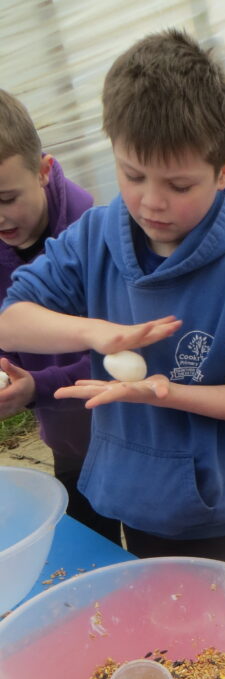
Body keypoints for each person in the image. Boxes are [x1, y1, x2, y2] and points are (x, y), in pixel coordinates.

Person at [0, 31, 225, 603]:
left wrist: (166, 392)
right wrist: (95, 331)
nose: (152, 203)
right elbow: (11, 317)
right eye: (132, 175)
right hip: (139, 501)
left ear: (224, 170)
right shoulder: (94, 238)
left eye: (178, 184)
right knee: (169, 641)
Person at [0, 90, 120, 542]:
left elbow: (117, 357)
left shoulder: (94, 237)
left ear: (44, 169)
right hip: (67, 441)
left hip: (128, 438)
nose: (1, 216)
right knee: (92, 557)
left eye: (8, 197)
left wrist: (39, 387)